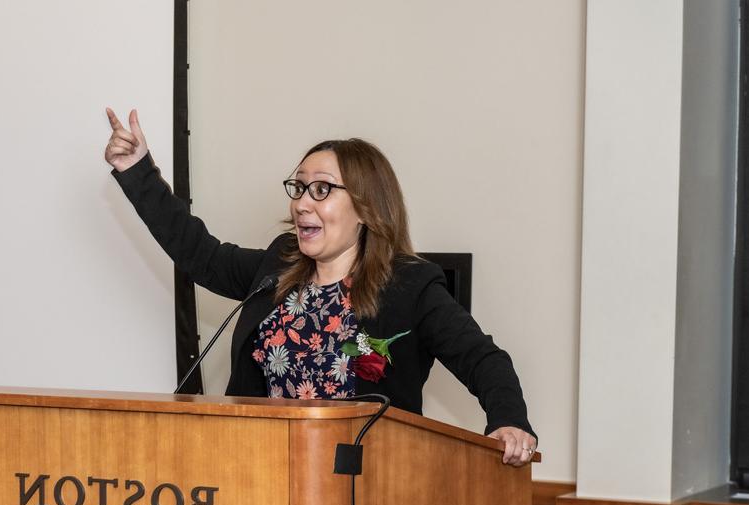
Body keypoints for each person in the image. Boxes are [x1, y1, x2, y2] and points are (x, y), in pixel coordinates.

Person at [104, 108, 537, 466]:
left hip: (363, 489)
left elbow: (484, 359)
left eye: (322, 189)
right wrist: (138, 171)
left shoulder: (409, 286)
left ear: (366, 207)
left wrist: (510, 421)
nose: (301, 203)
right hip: (258, 470)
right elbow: (200, 253)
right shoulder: (277, 267)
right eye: (299, 187)